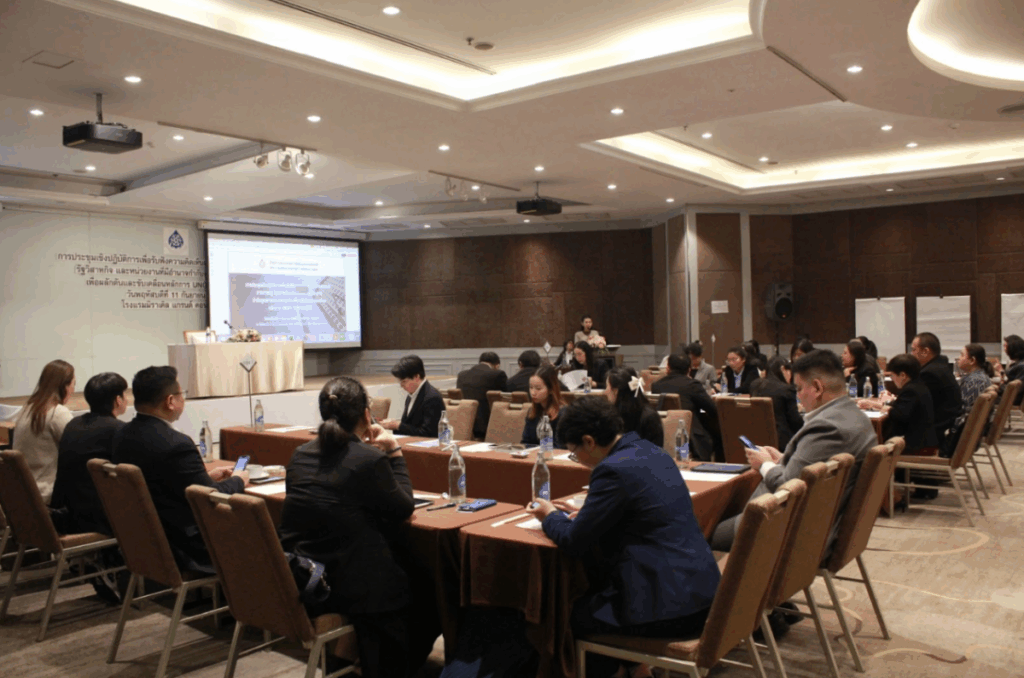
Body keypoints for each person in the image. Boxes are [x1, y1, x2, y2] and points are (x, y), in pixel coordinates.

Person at [526, 397, 720, 678]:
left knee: (563, 617)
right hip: (703, 593)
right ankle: (637, 671)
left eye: (573, 452)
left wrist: (549, 515)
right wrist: (591, 514)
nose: (577, 460)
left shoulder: (612, 469)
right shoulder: (652, 451)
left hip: (669, 608)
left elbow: (572, 541)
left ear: (589, 442)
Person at [278, 377, 435, 678]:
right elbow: (403, 507)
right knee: (428, 584)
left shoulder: (300, 455)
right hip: (351, 588)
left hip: (308, 574)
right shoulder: (368, 459)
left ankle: (356, 660)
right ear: (366, 414)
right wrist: (394, 451)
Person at [711, 350, 876, 558]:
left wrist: (764, 464)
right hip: (813, 518)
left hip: (784, 526)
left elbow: (788, 485)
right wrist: (782, 458)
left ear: (817, 387)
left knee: (699, 532)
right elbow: (812, 468)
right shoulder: (856, 416)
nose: (797, 395)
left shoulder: (827, 427)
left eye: (799, 388)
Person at [111, 366, 248, 572]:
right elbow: (208, 497)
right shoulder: (177, 444)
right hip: (187, 546)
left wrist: (204, 476)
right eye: (181, 394)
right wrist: (238, 479)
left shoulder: (122, 435)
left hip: (144, 541)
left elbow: (162, 481)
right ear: (170, 401)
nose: (183, 399)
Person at [50, 372, 128, 534]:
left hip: (66, 513)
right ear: (118, 400)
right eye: (125, 395)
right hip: (98, 519)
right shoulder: (118, 429)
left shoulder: (74, 424)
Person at [12, 359, 76, 504]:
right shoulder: (57, 412)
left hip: (22, 490)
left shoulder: (27, 409)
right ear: (64, 385)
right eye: (73, 384)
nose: (73, 389)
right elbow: (77, 449)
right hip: (47, 493)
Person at [861, 354, 937, 455]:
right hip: (924, 440)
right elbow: (901, 406)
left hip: (916, 445)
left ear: (903, 375)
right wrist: (876, 405)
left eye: (892, 375)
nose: (892, 379)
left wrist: (887, 408)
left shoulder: (910, 390)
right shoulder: (918, 385)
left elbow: (899, 414)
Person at [650, 355, 719, 461]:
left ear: (668, 368)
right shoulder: (692, 385)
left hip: (663, 432)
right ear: (689, 369)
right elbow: (712, 409)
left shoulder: (656, 385)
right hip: (690, 435)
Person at [911, 332, 962, 449]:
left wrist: (888, 403)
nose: (911, 354)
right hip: (945, 426)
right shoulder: (940, 366)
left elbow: (915, 404)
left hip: (934, 433)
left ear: (925, 351)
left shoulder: (930, 373)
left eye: (913, 350)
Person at [380, 355, 446, 437]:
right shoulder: (411, 395)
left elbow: (429, 434)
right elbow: (408, 426)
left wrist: (398, 426)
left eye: (404, 381)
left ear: (416, 377)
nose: (401, 385)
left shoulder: (432, 398)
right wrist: (394, 424)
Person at [750, 357, 804, 450]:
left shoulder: (755, 385)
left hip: (758, 438)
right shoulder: (786, 389)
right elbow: (795, 422)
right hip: (783, 442)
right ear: (783, 369)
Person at [605, 367, 664, 447]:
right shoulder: (611, 413)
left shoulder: (649, 417)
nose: (605, 392)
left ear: (615, 391)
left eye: (607, 387)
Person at [456, 351, 508, 439]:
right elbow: (505, 398)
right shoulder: (498, 374)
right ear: (497, 365)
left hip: (464, 423)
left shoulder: (462, 375)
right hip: (488, 425)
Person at [521, 364, 566, 448]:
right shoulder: (532, 411)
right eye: (531, 387)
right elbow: (526, 441)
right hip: (535, 454)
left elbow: (560, 446)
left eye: (538, 389)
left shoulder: (563, 413)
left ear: (551, 389)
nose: (533, 393)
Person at [1001, 335, 1024, 405]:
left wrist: (999, 386)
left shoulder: (1021, 366)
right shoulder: (1018, 363)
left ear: (1013, 347)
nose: (1004, 349)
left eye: (1005, 346)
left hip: (1013, 401)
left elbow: (1015, 389)